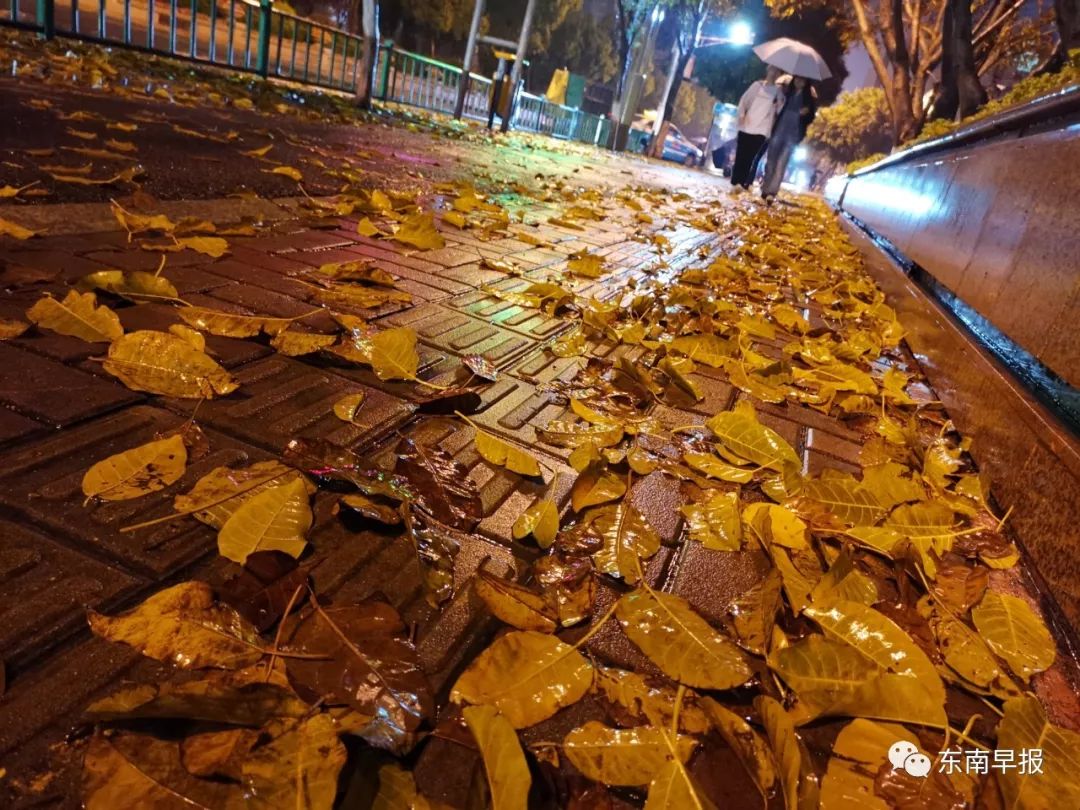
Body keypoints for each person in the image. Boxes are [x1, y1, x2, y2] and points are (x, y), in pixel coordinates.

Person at [760, 76, 817, 203]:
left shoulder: (809, 99)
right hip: (778, 132)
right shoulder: (786, 92)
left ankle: (772, 192)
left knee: (781, 164)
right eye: (797, 79)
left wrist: (806, 114)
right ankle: (765, 188)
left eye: (803, 80)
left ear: (806, 82)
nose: (799, 82)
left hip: (792, 136)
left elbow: (811, 118)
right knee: (770, 162)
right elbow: (775, 105)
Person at [730, 65, 784, 191]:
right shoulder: (757, 86)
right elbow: (744, 101)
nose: (774, 73)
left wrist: (778, 103)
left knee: (750, 157)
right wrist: (742, 115)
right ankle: (735, 182)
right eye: (772, 70)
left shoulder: (778, 92)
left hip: (762, 130)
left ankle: (741, 183)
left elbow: (780, 110)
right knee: (740, 155)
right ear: (767, 70)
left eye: (777, 71)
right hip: (746, 126)